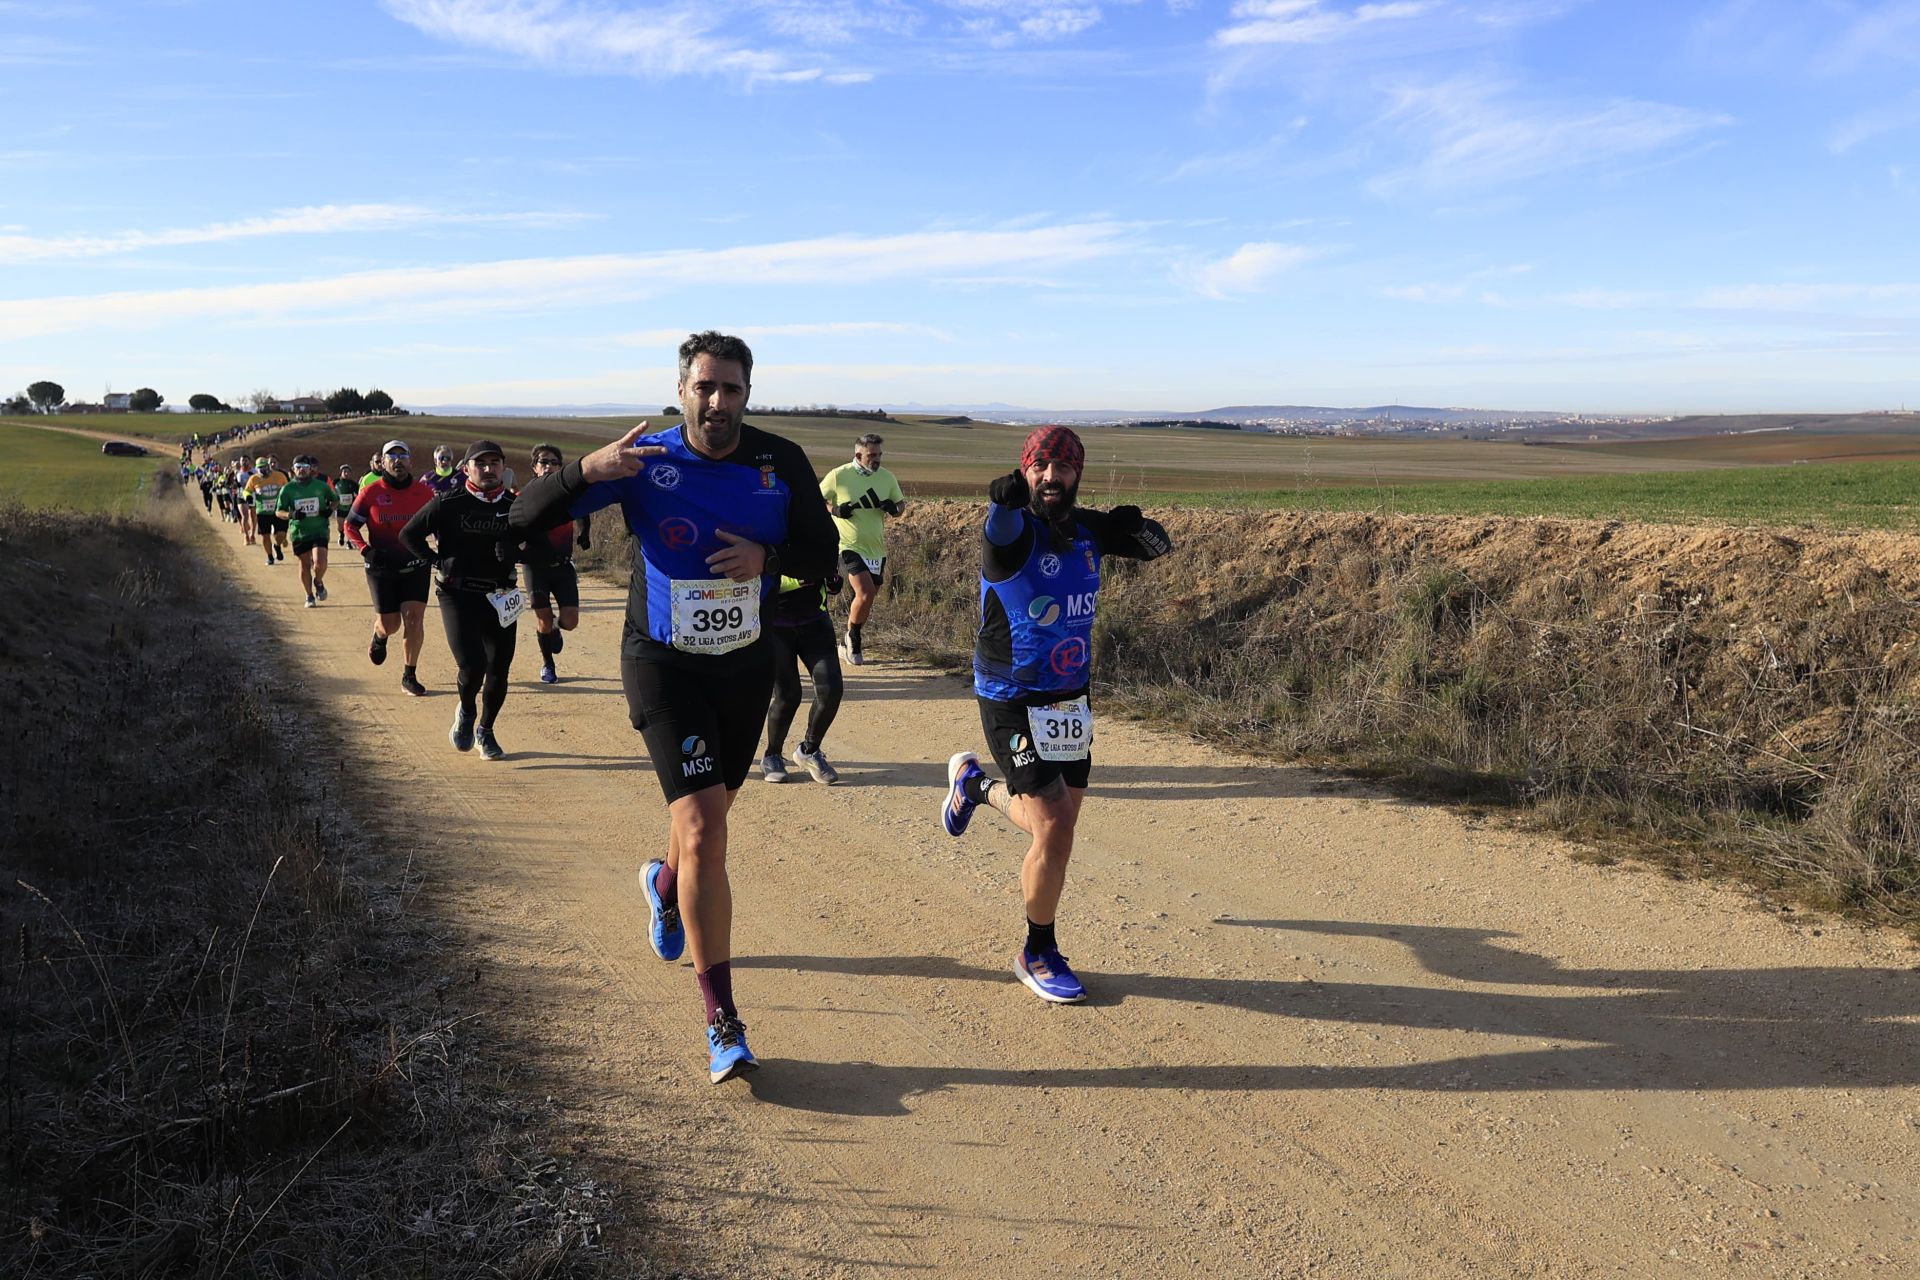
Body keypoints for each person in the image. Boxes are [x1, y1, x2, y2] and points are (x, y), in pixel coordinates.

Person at [510, 330, 837, 1084]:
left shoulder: (778, 460)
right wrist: (584, 473)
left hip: (744, 664)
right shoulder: (645, 459)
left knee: (704, 819)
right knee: (704, 827)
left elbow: (826, 552)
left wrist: (771, 560)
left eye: (731, 389)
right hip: (661, 662)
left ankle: (661, 884)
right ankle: (722, 1019)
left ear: (747, 394)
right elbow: (521, 520)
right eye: (704, 386)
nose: (717, 401)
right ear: (681, 389)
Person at [940, 425, 1173, 1004]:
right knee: (1055, 824)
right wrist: (1001, 503)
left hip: (1069, 696)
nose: (1050, 476)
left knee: (1058, 819)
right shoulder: (1014, 525)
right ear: (1025, 469)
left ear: (1077, 474)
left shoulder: (1086, 525)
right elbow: (1001, 533)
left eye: (1062, 468)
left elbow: (1158, 547)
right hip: (1010, 694)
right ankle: (1036, 950)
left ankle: (975, 787)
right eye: (1039, 465)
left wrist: (1135, 528)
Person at [401, 441, 521, 760]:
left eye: (494, 463)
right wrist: (436, 561)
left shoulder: (516, 505)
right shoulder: (447, 503)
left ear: (503, 467)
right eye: (480, 463)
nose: (488, 468)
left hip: (502, 594)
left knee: (499, 669)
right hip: (458, 593)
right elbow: (409, 535)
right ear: (465, 468)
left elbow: (538, 545)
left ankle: (486, 731)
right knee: (472, 665)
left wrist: (516, 553)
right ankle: (467, 712)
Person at [343, 440, 434, 697]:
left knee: (414, 619)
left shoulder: (424, 493)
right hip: (382, 567)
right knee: (390, 624)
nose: (397, 461)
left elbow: (439, 528)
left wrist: (443, 552)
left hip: (416, 566)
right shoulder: (370, 493)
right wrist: (365, 549)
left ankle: (409, 675)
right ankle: (379, 635)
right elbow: (350, 526)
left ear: (410, 461)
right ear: (382, 463)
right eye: (391, 457)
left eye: (402, 456)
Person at [818, 432, 906, 667]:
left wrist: (893, 509)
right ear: (858, 454)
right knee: (865, 592)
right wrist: (834, 510)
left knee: (869, 597)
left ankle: (846, 639)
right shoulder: (839, 475)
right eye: (871, 455)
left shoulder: (887, 477)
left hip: (876, 549)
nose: (877, 460)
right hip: (847, 545)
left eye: (879, 455)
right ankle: (854, 638)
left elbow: (901, 506)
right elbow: (815, 499)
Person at [759, 570, 845, 784]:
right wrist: (796, 580)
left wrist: (832, 580)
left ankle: (809, 750)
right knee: (788, 695)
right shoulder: (770, 537)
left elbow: (831, 581)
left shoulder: (820, 537)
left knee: (832, 690)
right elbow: (756, 579)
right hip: (776, 626)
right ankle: (772, 755)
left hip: (816, 623)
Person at [521, 443, 591, 684]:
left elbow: (583, 510)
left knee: (570, 622)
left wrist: (584, 532)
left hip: (562, 566)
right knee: (543, 619)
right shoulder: (526, 495)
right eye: (543, 462)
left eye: (553, 462)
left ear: (561, 467)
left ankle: (556, 629)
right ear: (534, 467)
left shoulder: (568, 495)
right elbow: (512, 522)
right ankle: (548, 665)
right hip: (535, 568)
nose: (548, 466)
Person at [275, 455, 337, 608]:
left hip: (319, 529)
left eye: (304, 467)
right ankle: (309, 596)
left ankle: (318, 580)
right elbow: (278, 511)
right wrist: (291, 515)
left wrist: (329, 509)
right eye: (298, 467)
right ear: (293, 470)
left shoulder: (321, 486)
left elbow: (335, 500)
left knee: (320, 562)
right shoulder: (287, 489)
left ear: (311, 469)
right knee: (304, 564)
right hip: (300, 532)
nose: (301, 470)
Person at [243, 455, 291, 566]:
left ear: (268, 466)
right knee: (265, 536)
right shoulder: (254, 479)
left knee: (281, 534)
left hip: (279, 510)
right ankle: (270, 557)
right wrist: (248, 496)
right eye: (260, 468)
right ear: (256, 468)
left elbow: (288, 489)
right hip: (263, 512)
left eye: (265, 467)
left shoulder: (279, 476)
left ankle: (277, 546)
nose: (263, 470)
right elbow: (246, 491)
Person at [334, 464, 361, 547]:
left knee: (349, 525)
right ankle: (341, 535)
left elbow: (359, 494)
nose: (346, 473)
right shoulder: (335, 482)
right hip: (340, 508)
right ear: (341, 473)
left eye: (348, 472)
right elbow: (331, 492)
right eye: (344, 471)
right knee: (340, 525)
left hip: (350, 508)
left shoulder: (353, 484)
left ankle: (349, 542)